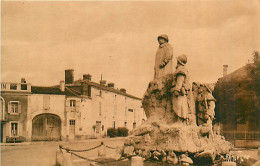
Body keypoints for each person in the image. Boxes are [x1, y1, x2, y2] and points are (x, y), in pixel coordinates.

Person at [171, 54, 195, 125]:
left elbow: (180, 81)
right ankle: (181, 121)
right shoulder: (184, 69)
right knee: (181, 105)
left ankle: (179, 121)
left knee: (179, 105)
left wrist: (176, 90)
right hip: (182, 91)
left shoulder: (181, 70)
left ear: (179, 62)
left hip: (180, 92)